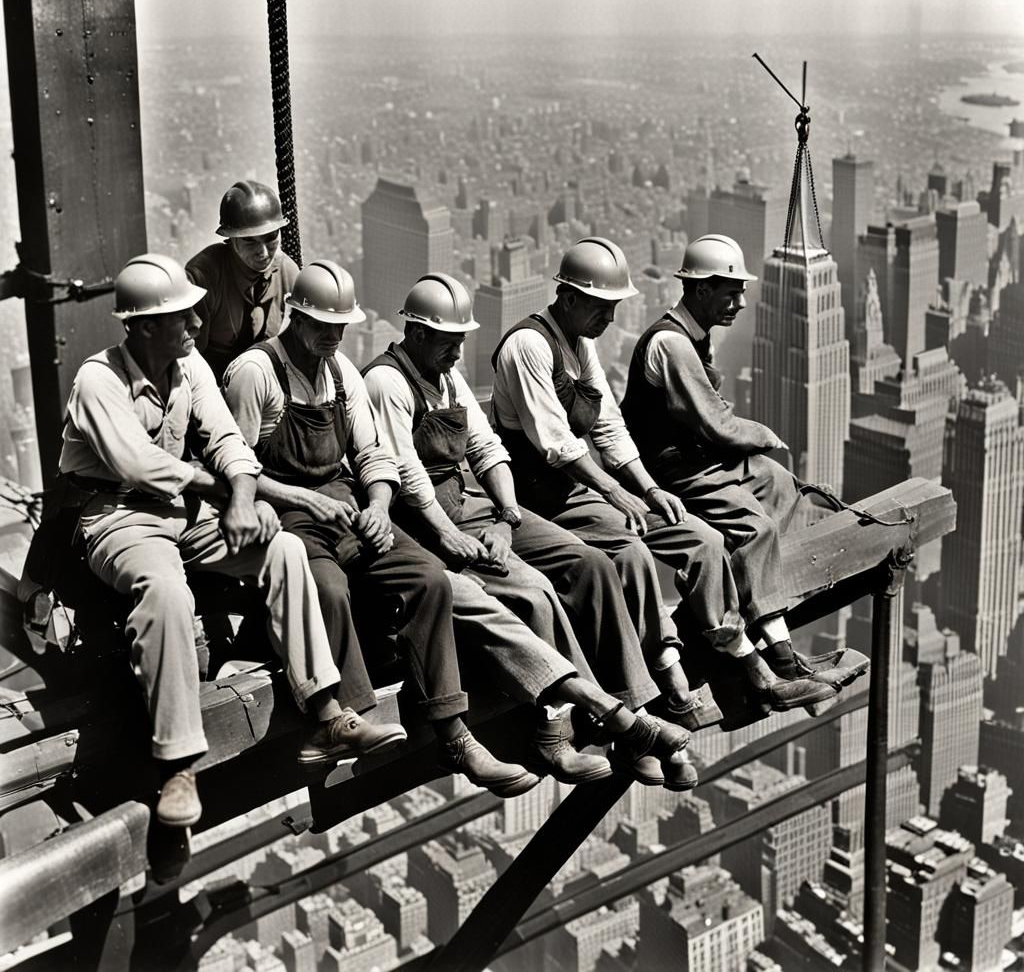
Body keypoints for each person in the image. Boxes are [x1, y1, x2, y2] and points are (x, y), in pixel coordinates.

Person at [57, 253, 405, 829]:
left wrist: (244, 501)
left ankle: (326, 710)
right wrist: (217, 492)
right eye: (182, 318)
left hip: (183, 508)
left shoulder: (188, 366)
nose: (197, 327)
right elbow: (135, 464)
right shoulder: (98, 379)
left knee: (286, 549)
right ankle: (178, 766)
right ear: (144, 327)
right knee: (166, 594)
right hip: (117, 514)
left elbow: (226, 441)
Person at [222, 259, 553, 795]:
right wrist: (304, 499)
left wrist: (378, 505)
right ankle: (352, 721)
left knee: (429, 579)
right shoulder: (256, 374)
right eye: (323, 327)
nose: (333, 337)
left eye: (341, 328)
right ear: (295, 318)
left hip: (347, 508)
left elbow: (373, 455)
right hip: (286, 515)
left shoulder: (340, 372)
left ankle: (454, 732)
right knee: (326, 587)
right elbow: (236, 470)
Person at [363, 273, 686, 786]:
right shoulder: (387, 381)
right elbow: (407, 475)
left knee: (591, 564)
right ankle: (557, 731)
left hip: (469, 507)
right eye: (448, 342)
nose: (457, 353)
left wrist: (506, 515)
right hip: (422, 524)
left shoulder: (447, 374)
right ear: (417, 334)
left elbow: (486, 448)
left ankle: (634, 706)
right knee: (534, 592)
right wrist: (450, 536)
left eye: (461, 342)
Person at [491, 237, 835, 714]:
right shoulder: (529, 345)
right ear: (568, 297)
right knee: (637, 549)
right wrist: (616, 491)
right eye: (601, 307)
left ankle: (768, 654)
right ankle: (749, 672)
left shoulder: (579, 344)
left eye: (614, 308)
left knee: (703, 541)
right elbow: (557, 444)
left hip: (591, 487)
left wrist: (647, 490)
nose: (609, 320)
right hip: (545, 496)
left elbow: (609, 426)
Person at [620, 233, 868, 689]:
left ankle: (760, 588)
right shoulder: (671, 345)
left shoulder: (695, 335)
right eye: (731, 292)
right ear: (700, 290)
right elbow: (714, 423)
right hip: (677, 469)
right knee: (757, 528)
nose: (740, 302)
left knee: (778, 483)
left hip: (703, 457)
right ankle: (779, 651)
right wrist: (765, 436)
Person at [186, 180, 298, 382]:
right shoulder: (203, 278)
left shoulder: (287, 273)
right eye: (250, 240)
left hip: (264, 381)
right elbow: (189, 360)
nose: (263, 253)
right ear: (231, 238)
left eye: (271, 237)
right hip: (209, 384)